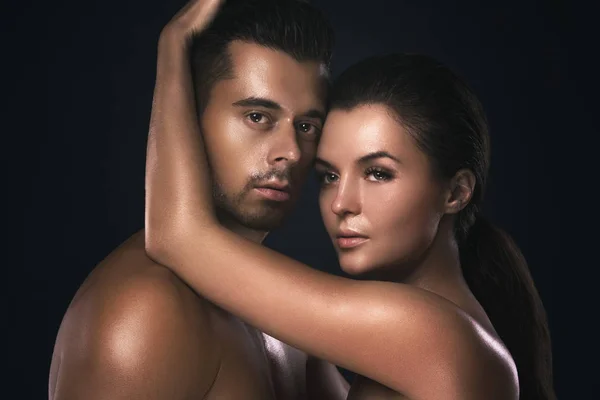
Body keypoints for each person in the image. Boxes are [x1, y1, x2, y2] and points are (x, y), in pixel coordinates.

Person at [144, 3, 556, 400]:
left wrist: (174, 44)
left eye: (378, 173)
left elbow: (177, 237)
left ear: (455, 193)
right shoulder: (433, 333)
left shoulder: (430, 333)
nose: (341, 203)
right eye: (329, 175)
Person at [48, 0, 351, 398]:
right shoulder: (147, 309)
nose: (291, 151)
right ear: (188, 115)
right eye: (257, 117)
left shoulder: (286, 317)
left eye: (307, 126)